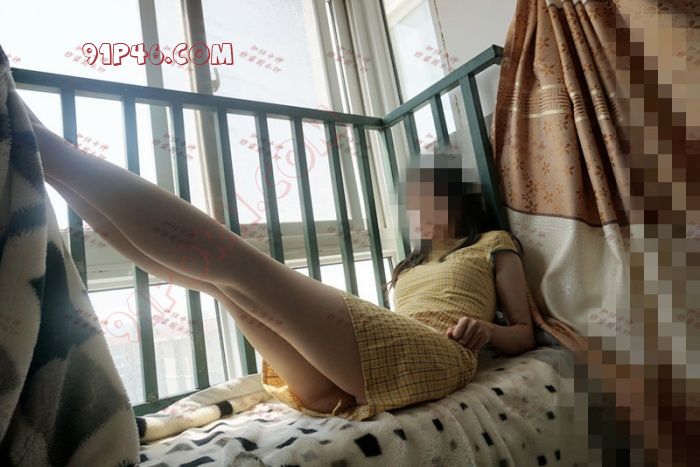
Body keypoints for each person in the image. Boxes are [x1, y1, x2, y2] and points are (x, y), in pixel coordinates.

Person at [23, 99, 536, 422]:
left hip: (441, 357)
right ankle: (48, 161)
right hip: (353, 382)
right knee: (218, 283)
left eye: (429, 195)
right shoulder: (408, 266)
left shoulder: (491, 244)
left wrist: (487, 331)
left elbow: (525, 334)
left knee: (234, 264)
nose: (418, 208)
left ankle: (44, 147)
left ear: (458, 197)